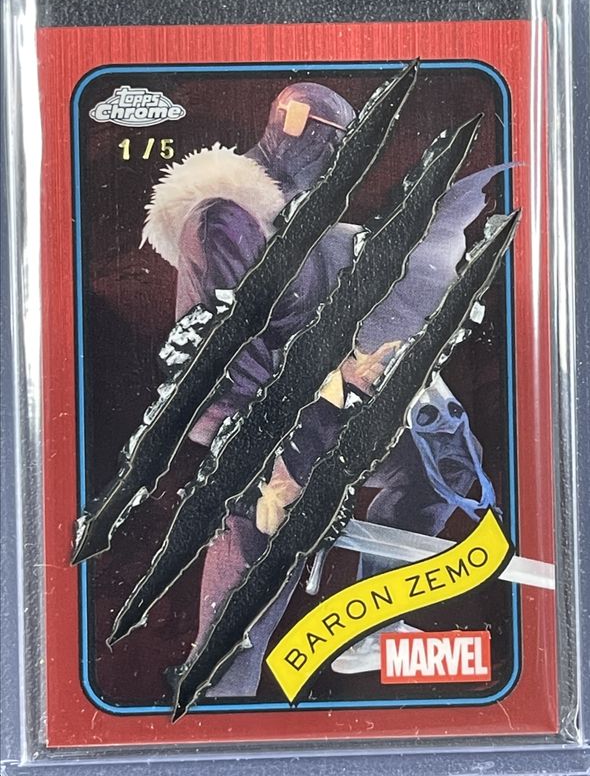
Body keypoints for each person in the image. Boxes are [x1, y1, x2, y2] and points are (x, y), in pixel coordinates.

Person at [143, 81, 501, 693]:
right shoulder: (227, 217)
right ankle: (217, 691)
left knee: (438, 464)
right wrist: (274, 451)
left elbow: (321, 316)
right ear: (294, 128)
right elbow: (226, 341)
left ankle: (372, 623)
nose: (339, 162)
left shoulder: (302, 218)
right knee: (261, 550)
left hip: (311, 402)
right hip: (252, 414)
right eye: (334, 146)